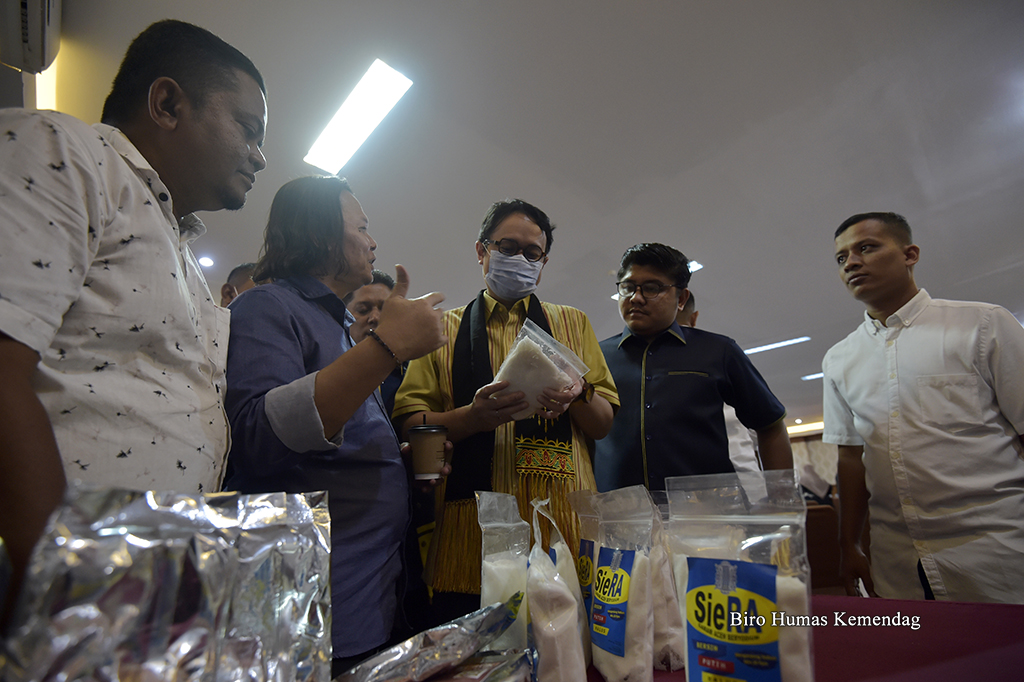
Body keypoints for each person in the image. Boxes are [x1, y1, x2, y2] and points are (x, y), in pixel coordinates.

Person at [0, 20, 267, 623]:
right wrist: (62, 599)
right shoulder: (65, 152)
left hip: (134, 593)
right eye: (248, 129)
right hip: (59, 597)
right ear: (167, 103)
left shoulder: (179, 247)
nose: (259, 155)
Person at [222, 175, 447, 671]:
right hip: (315, 597)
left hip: (367, 587)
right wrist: (389, 347)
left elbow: (335, 435)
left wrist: (394, 462)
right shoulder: (266, 305)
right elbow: (255, 437)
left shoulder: (338, 327)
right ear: (319, 234)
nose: (372, 242)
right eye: (361, 228)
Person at [393, 198, 618, 622]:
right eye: (508, 247)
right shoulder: (442, 330)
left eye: (532, 253)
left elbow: (603, 424)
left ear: (544, 262)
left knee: (565, 647)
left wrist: (579, 393)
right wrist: (471, 418)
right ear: (482, 250)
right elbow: (410, 423)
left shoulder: (573, 323)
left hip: (561, 517)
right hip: (471, 529)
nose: (520, 259)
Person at [823, 211, 1024, 602]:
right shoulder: (839, 359)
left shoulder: (983, 325)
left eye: (866, 248)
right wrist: (850, 543)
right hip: (896, 559)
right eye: (842, 258)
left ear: (909, 254)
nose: (851, 263)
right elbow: (850, 458)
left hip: (995, 547)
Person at [595, 243, 792, 492]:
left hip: (708, 509)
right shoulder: (597, 356)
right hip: (619, 510)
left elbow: (770, 424)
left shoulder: (719, 351)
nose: (636, 297)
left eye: (652, 288)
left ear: (681, 299)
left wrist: (780, 499)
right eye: (628, 287)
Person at [676, 292, 762, 475]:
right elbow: (765, 427)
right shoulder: (719, 353)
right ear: (694, 317)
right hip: (744, 473)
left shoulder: (646, 365)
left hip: (690, 479)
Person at [343, 269, 405, 414]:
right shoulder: (330, 370)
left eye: (385, 310)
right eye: (363, 310)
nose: (375, 318)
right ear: (344, 316)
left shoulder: (411, 372)